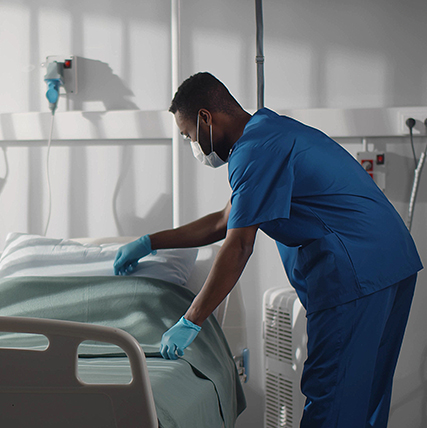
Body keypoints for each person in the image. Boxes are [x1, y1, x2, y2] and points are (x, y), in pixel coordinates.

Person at [113, 72, 422, 428]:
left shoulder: (255, 151)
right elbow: (222, 221)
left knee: (332, 399)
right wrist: (150, 242)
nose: (193, 145)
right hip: (391, 262)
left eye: (188, 135)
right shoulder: (269, 132)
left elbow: (239, 243)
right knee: (365, 398)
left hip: (355, 273)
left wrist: (191, 320)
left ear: (205, 118)